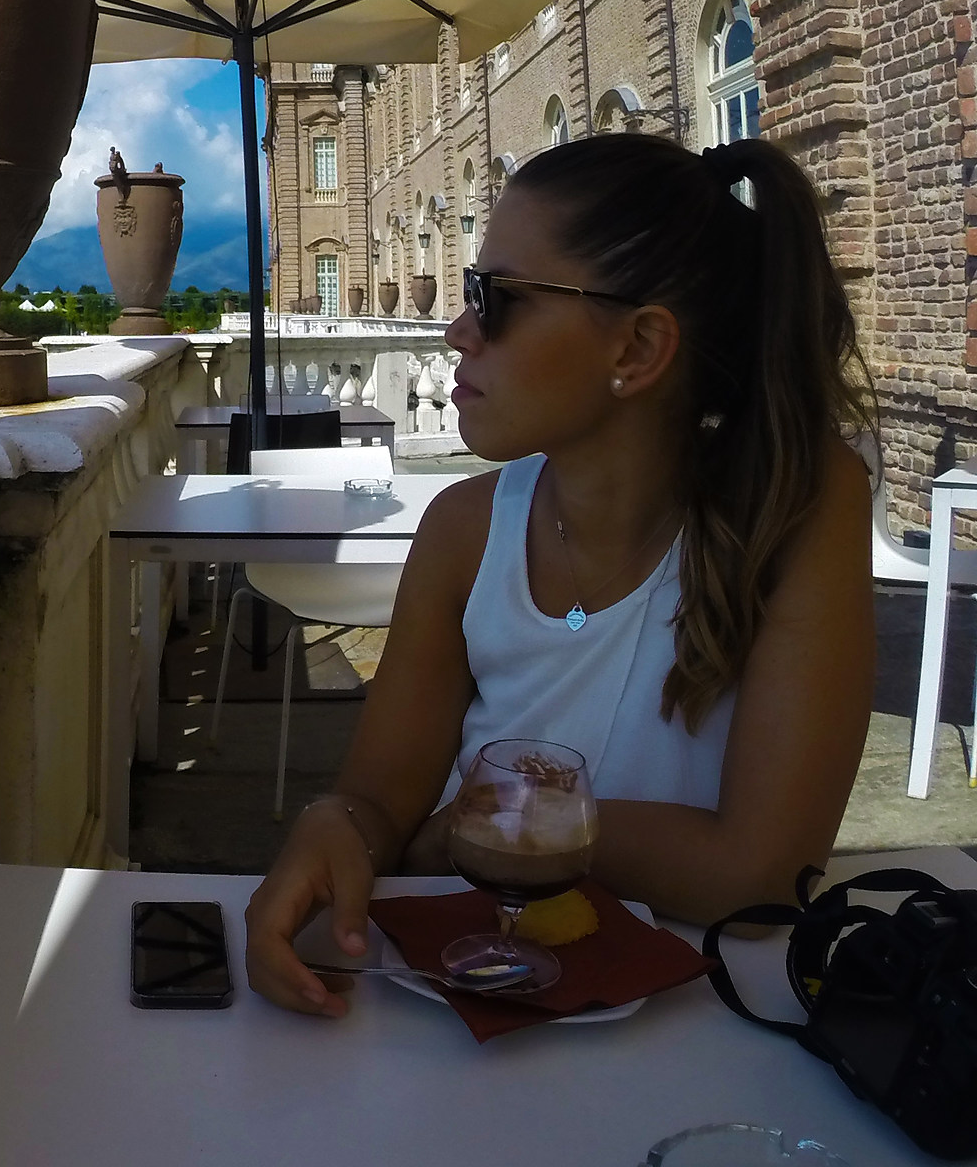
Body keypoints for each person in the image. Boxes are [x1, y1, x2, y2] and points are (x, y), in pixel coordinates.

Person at [245, 132, 875, 1016]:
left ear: (637, 349)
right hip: (469, 1005)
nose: (456, 330)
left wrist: (480, 831)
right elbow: (376, 801)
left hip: (702, 1028)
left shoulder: (794, 508)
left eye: (494, 299)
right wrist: (331, 827)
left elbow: (763, 873)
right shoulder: (464, 529)